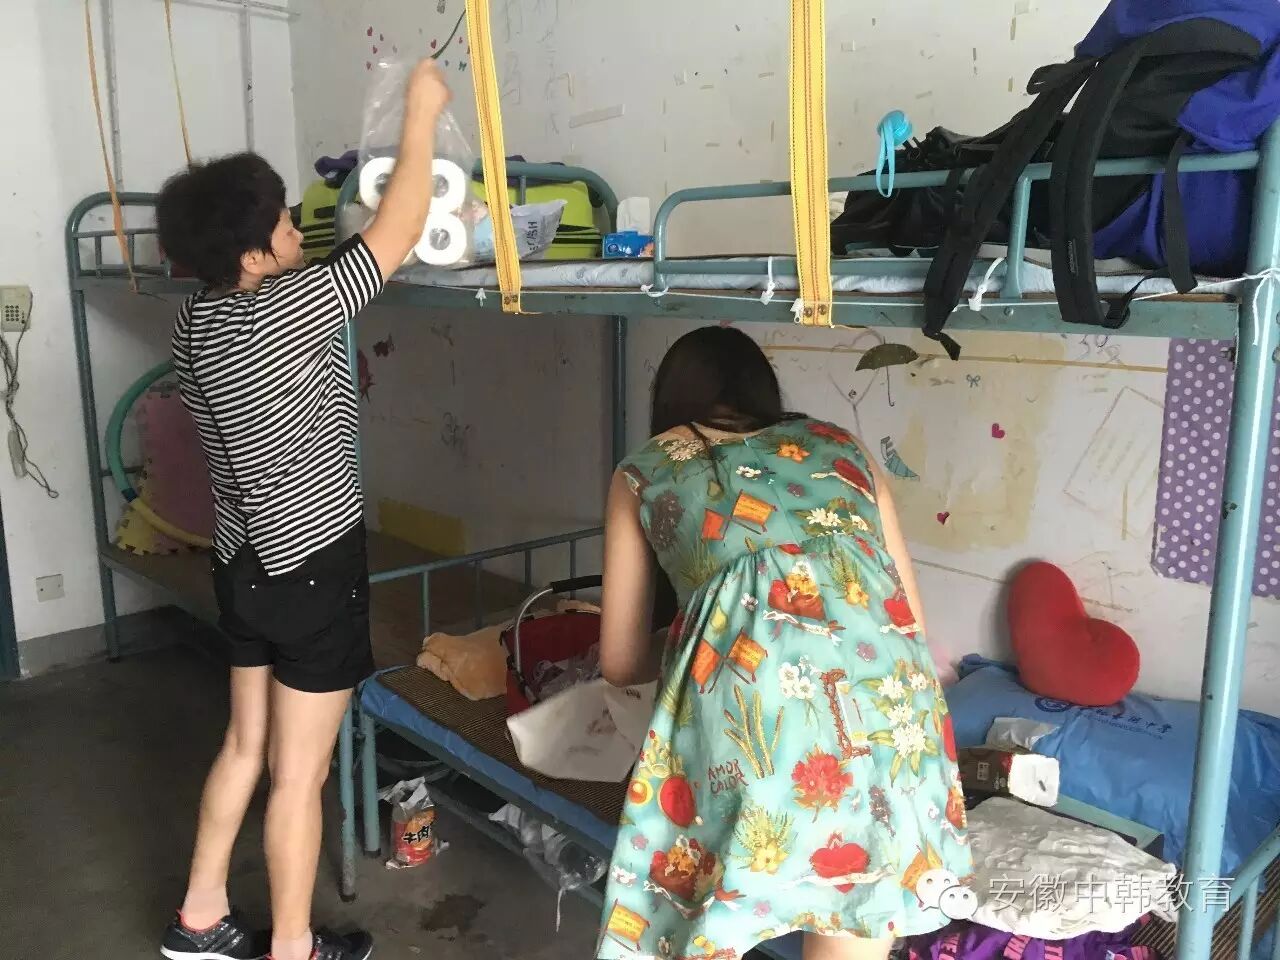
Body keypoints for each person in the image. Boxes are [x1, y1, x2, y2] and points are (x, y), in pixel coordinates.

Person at [154, 60, 450, 960]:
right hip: (311, 568)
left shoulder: (195, 321)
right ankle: (293, 947)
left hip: (243, 563)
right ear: (253, 257)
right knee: (300, 772)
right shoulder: (290, 308)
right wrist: (422, 113)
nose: (297, 230)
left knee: (246, 746)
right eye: (284, 222)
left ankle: (200, 919)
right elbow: (402, 226)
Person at [596, 327, 973, 960]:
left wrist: (699, 631)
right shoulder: (843, 445)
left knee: (701, 915)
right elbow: (906, 615)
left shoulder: (646, 469)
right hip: (892, 714)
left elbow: (620, 662)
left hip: (763, 720)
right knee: (858, 904)